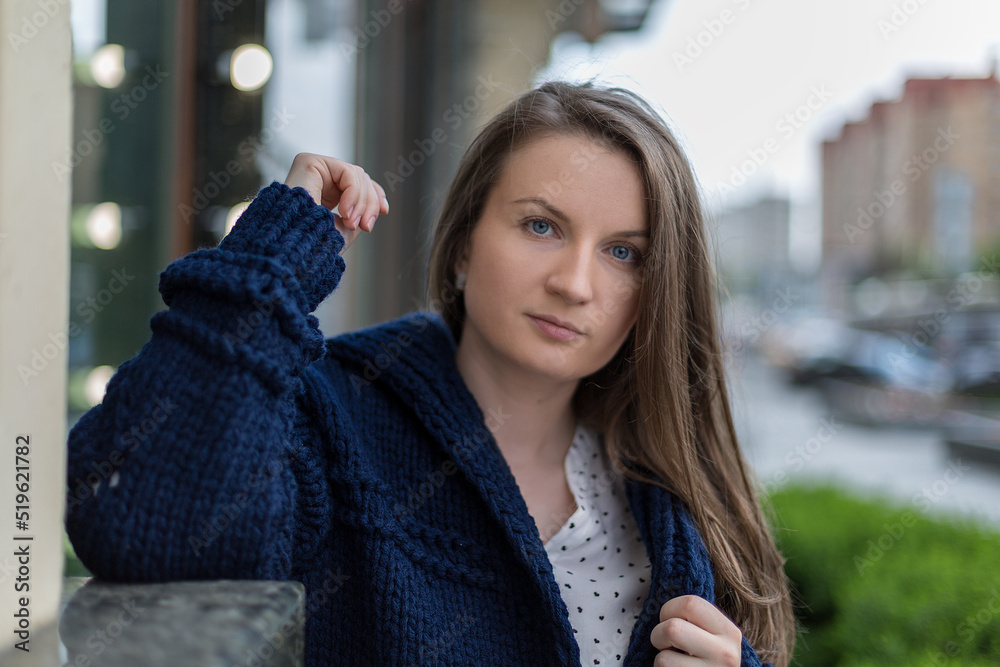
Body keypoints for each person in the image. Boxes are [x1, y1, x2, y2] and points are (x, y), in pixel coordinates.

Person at [65, 80, 795, 666]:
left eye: (623, 252)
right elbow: (143, 526)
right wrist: (270, 265)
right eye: (541, 226)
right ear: (464, 243)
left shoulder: (670, 480)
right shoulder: (327, 418)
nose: (575, 284)